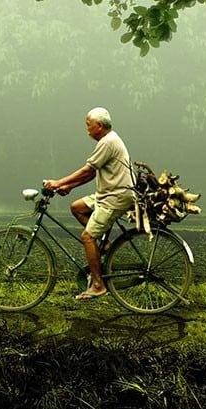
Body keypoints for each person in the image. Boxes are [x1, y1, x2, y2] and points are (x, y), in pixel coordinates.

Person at [43, 107, 135, 301]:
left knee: (87, 237)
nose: (87, 130)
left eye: (88, 125)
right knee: (77, 207)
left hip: (115, 197)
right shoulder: (108, 140)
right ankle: (106, 245)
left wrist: (59, 182)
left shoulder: (108, 142)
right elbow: (93, 173)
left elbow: (87, 170)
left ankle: (98, 285)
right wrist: (69, 186)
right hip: (107, 194)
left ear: (99, 126)